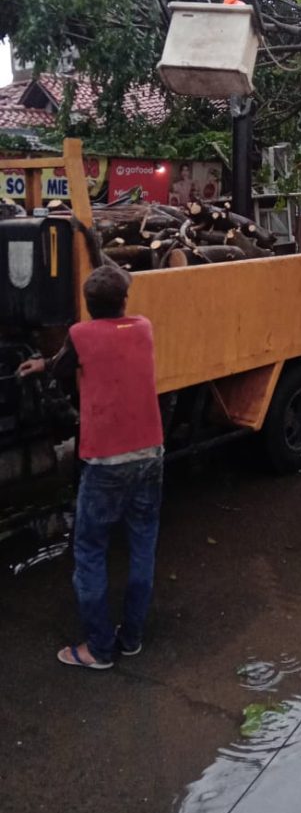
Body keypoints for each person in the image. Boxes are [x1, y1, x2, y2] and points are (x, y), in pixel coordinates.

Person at [18, 266, 163, 671]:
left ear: (87, 304)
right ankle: (131, 638)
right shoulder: (143, 327)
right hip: (150, 454)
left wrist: (41, 365)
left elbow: (66, 365)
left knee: (90, 550)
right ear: (124, 303)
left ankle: (99, 649)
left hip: (105, 462)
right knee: (142, 545)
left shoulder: (81, 334)